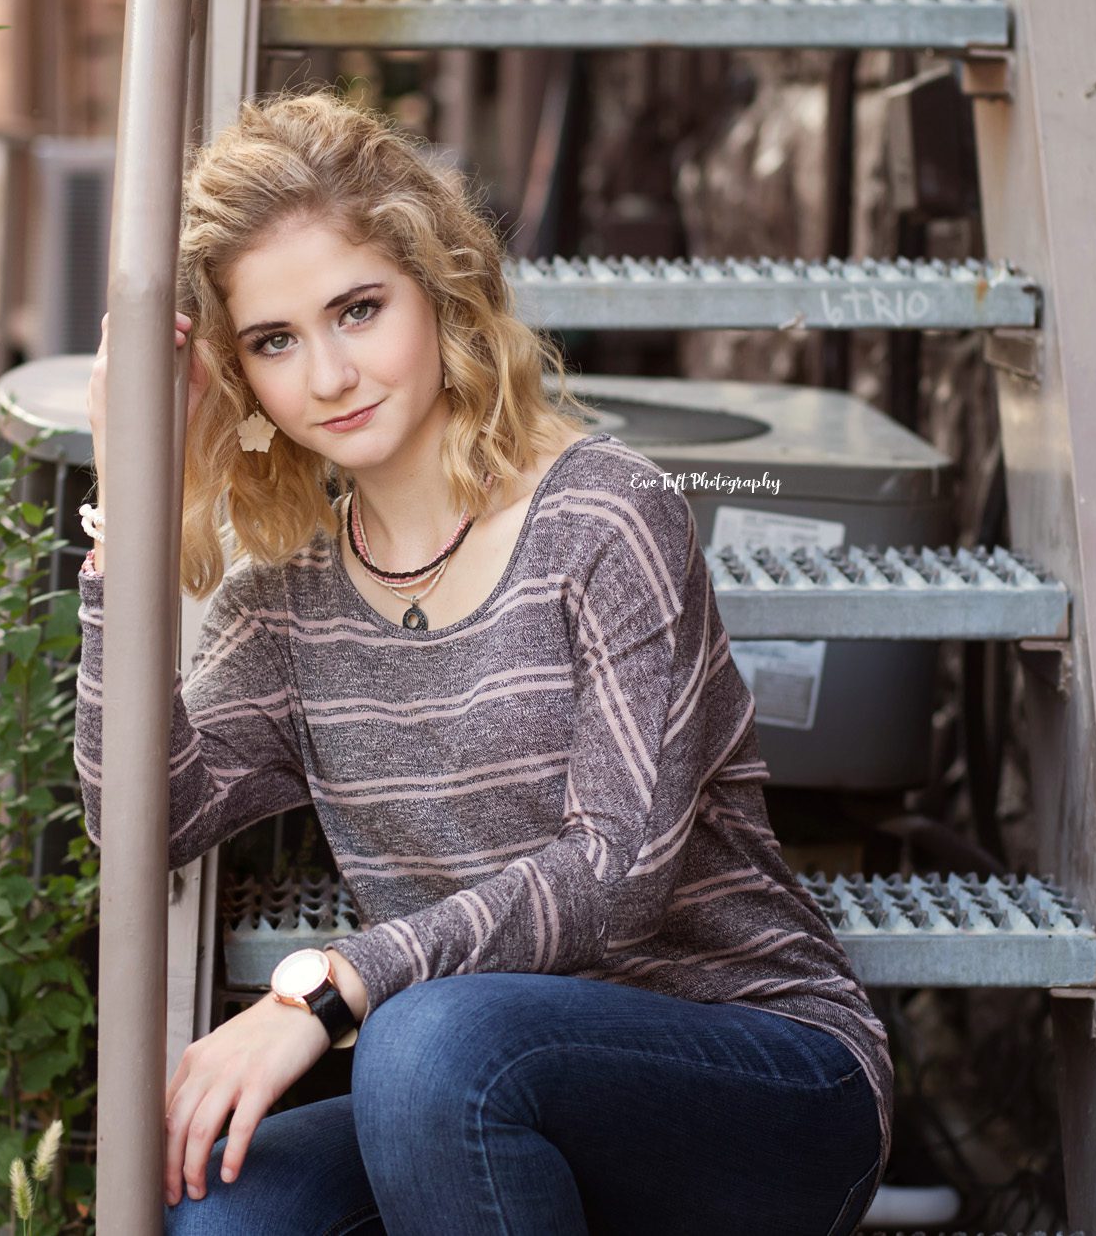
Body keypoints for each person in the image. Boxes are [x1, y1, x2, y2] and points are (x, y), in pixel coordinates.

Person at [74, 90, 891, 1236]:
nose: (326, 375)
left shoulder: (605, 520)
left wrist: (336, 984)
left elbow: (614, 872)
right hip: (468, 1097)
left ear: (440, 289)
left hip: (757, 1078)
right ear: (238, 375)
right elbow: (140, 820)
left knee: (421, 1039)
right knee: (226, 1209)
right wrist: (124, 496)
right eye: (273, 340)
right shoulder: (290, 601)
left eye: (357, 310)